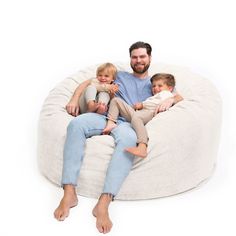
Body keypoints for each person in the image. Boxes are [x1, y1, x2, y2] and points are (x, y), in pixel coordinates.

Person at [54, 41, 183, 234]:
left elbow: (177, 96)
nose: (138, 60)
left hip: (129, 124)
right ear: (130, 59)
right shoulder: (120, 75)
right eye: (134, 57)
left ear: (149, 58)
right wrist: (74, 99)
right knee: (76, 124)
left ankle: (104, 202)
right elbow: (88, 83)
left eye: (142, 56)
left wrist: (172, 100)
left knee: (128, 141)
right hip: (104, 116)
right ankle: (69, 191)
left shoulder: (155, 84)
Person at [103, 73, 176, 158]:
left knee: (136, 118)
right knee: (116, 100)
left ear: (170, 88)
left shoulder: (166, 94)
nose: (156, 88)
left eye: (160, 86)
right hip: (139, 114)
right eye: (153, 86)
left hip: (149, 112)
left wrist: (142, 105)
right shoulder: (155, 96)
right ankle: (111, 122)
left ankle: (142, 146)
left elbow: (156, 104)